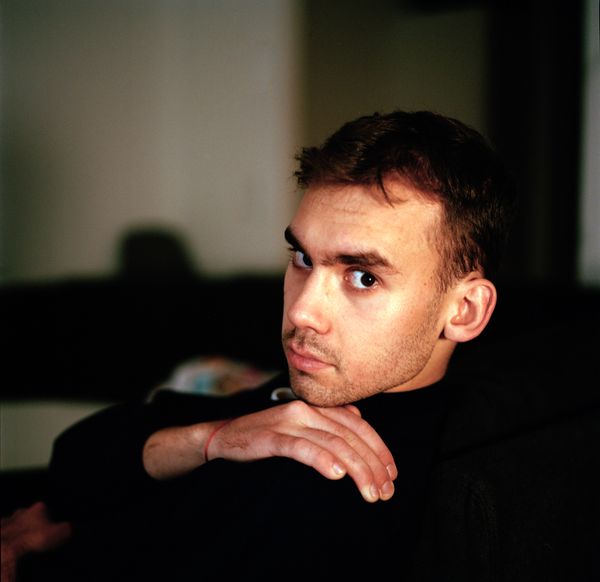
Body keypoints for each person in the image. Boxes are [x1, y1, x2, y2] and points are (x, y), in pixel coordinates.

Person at [1, 109, 516, 581]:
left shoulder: (338, 490)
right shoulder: (317, 397)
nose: (302, 311)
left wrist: (45, 557)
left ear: (465, 311)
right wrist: (214, 438)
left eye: (363, 277)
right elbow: (74, 462)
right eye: (303, 258)